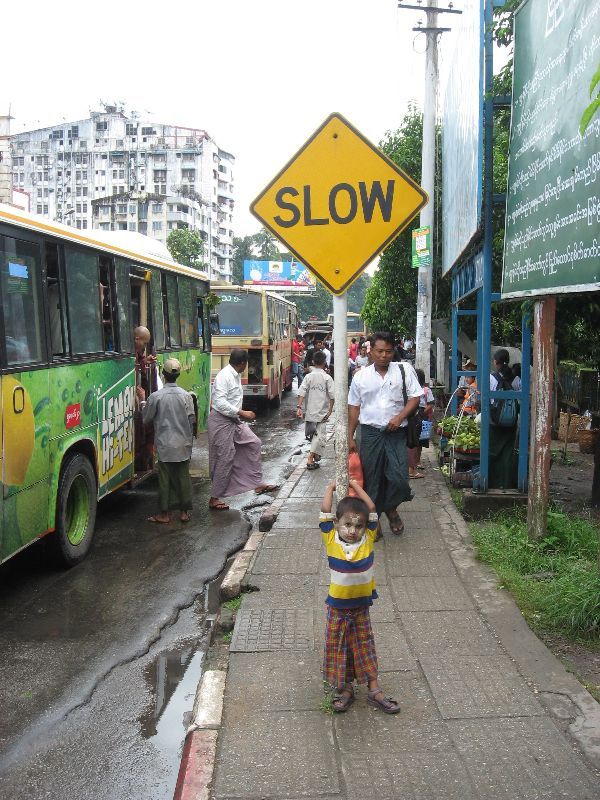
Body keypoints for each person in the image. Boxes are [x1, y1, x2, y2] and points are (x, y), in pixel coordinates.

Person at [320, 479, 401, 714]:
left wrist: (356, 487)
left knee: (364, 646)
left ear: (366, 528)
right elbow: (325, 511)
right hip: (337, 608)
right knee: (338, 647)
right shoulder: (331, 539)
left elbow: (372, 509)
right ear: (337, 524)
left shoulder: (367, 540)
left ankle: (374, 690)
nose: (352, 531)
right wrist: (330, 489)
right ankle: (345, 688)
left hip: (361, 607)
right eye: (347, 524)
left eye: (358, 526)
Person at [347, 332, 422, 535]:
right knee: (371, 478)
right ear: (371, 351)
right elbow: (354, 407)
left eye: (388, 351)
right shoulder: (361, 376)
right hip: (369, 433)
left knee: (399, 479)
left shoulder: (404, 370)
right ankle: (374, 519)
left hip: (396, 433)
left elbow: (416, 397)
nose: (383, 355)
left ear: (393, 352)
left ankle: (390, 508)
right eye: (379, 351)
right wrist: (350, 436)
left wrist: (400, 417)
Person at [208, 348, 278, 510]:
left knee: (254, 443)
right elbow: (219, 402)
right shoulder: (224, 376)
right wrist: (241, 412)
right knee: (225, 458)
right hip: (221, 421)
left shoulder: (235, 375)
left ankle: (256, 482)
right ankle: (214, 498)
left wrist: (239, 414)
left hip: (234, 420)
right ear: (242, 363)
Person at [141, 359, 195, 524]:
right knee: (183, 477)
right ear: (178, 375)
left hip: (165, 444)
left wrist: (143, 400)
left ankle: (164, 514)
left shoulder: (156, 397)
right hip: (183, 443)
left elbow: (146, 419)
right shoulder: (187, 396)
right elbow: (191, 419)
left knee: (165, 478)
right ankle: (184, 513)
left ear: (163, 375)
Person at [296, 351, 334, 470]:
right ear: (324, 363)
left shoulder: (308, 377)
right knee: (320, 436)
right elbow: (333, 397)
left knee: (315, 435)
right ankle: (310, 458)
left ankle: (316, 455)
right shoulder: (327, 377)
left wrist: (299, 407)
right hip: (322, 412)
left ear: (313, 362)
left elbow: (301, 392)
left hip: (310, 411)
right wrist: (330, 411)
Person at [489, 348, 518, 489]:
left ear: (496, 361)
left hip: (496, 421)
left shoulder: (492, 378)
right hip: (512, 422)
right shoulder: (516, 379)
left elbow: (487, 400)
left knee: (493, 452)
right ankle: (506, 484)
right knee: (508, 453)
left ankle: (493, 483)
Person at [134, 325, 158, 472]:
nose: (145, 347)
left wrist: (145, 361)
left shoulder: (138, 353)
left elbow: (139, 364)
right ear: (137, 339)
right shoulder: (130, 352)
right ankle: (141, 461)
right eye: (144, 343)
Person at [408, 368, 435, 479]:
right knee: (415, 441)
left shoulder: (426, 390)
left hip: (424, 416)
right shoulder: (412, 389)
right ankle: (413, 464)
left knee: (422, 441)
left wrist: (422, 412)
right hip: (416, 415)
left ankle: (417, 461)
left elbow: (431, 403)